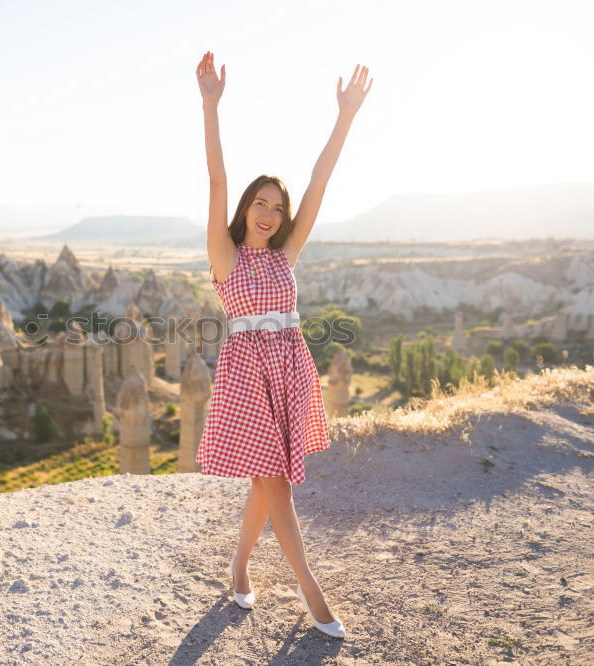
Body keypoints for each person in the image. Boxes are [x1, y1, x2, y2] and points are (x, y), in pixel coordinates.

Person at [193, 50, 372, 639]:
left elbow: (320, 181)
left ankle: (240, 564)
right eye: (260, 203)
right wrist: (210, 105)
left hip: (290, 365)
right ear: (245, 206)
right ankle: (311, 593)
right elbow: (217, 176)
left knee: (266, 482)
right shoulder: (226, 254)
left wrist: (345, 116)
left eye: (277, 206)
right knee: (276, 483)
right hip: (246, 372)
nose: (268, 213)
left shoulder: (286, 254)